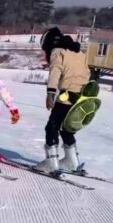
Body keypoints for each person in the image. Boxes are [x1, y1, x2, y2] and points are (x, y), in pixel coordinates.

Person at [34, 27, 90, 174]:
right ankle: (72, 161)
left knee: (51, 127)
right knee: (66, 128)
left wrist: (50, 93)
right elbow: (87, 73)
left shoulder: (57, 52)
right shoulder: (79, 53)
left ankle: (51, 163)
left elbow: (55, 71)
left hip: (66, 95)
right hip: (80, 96)